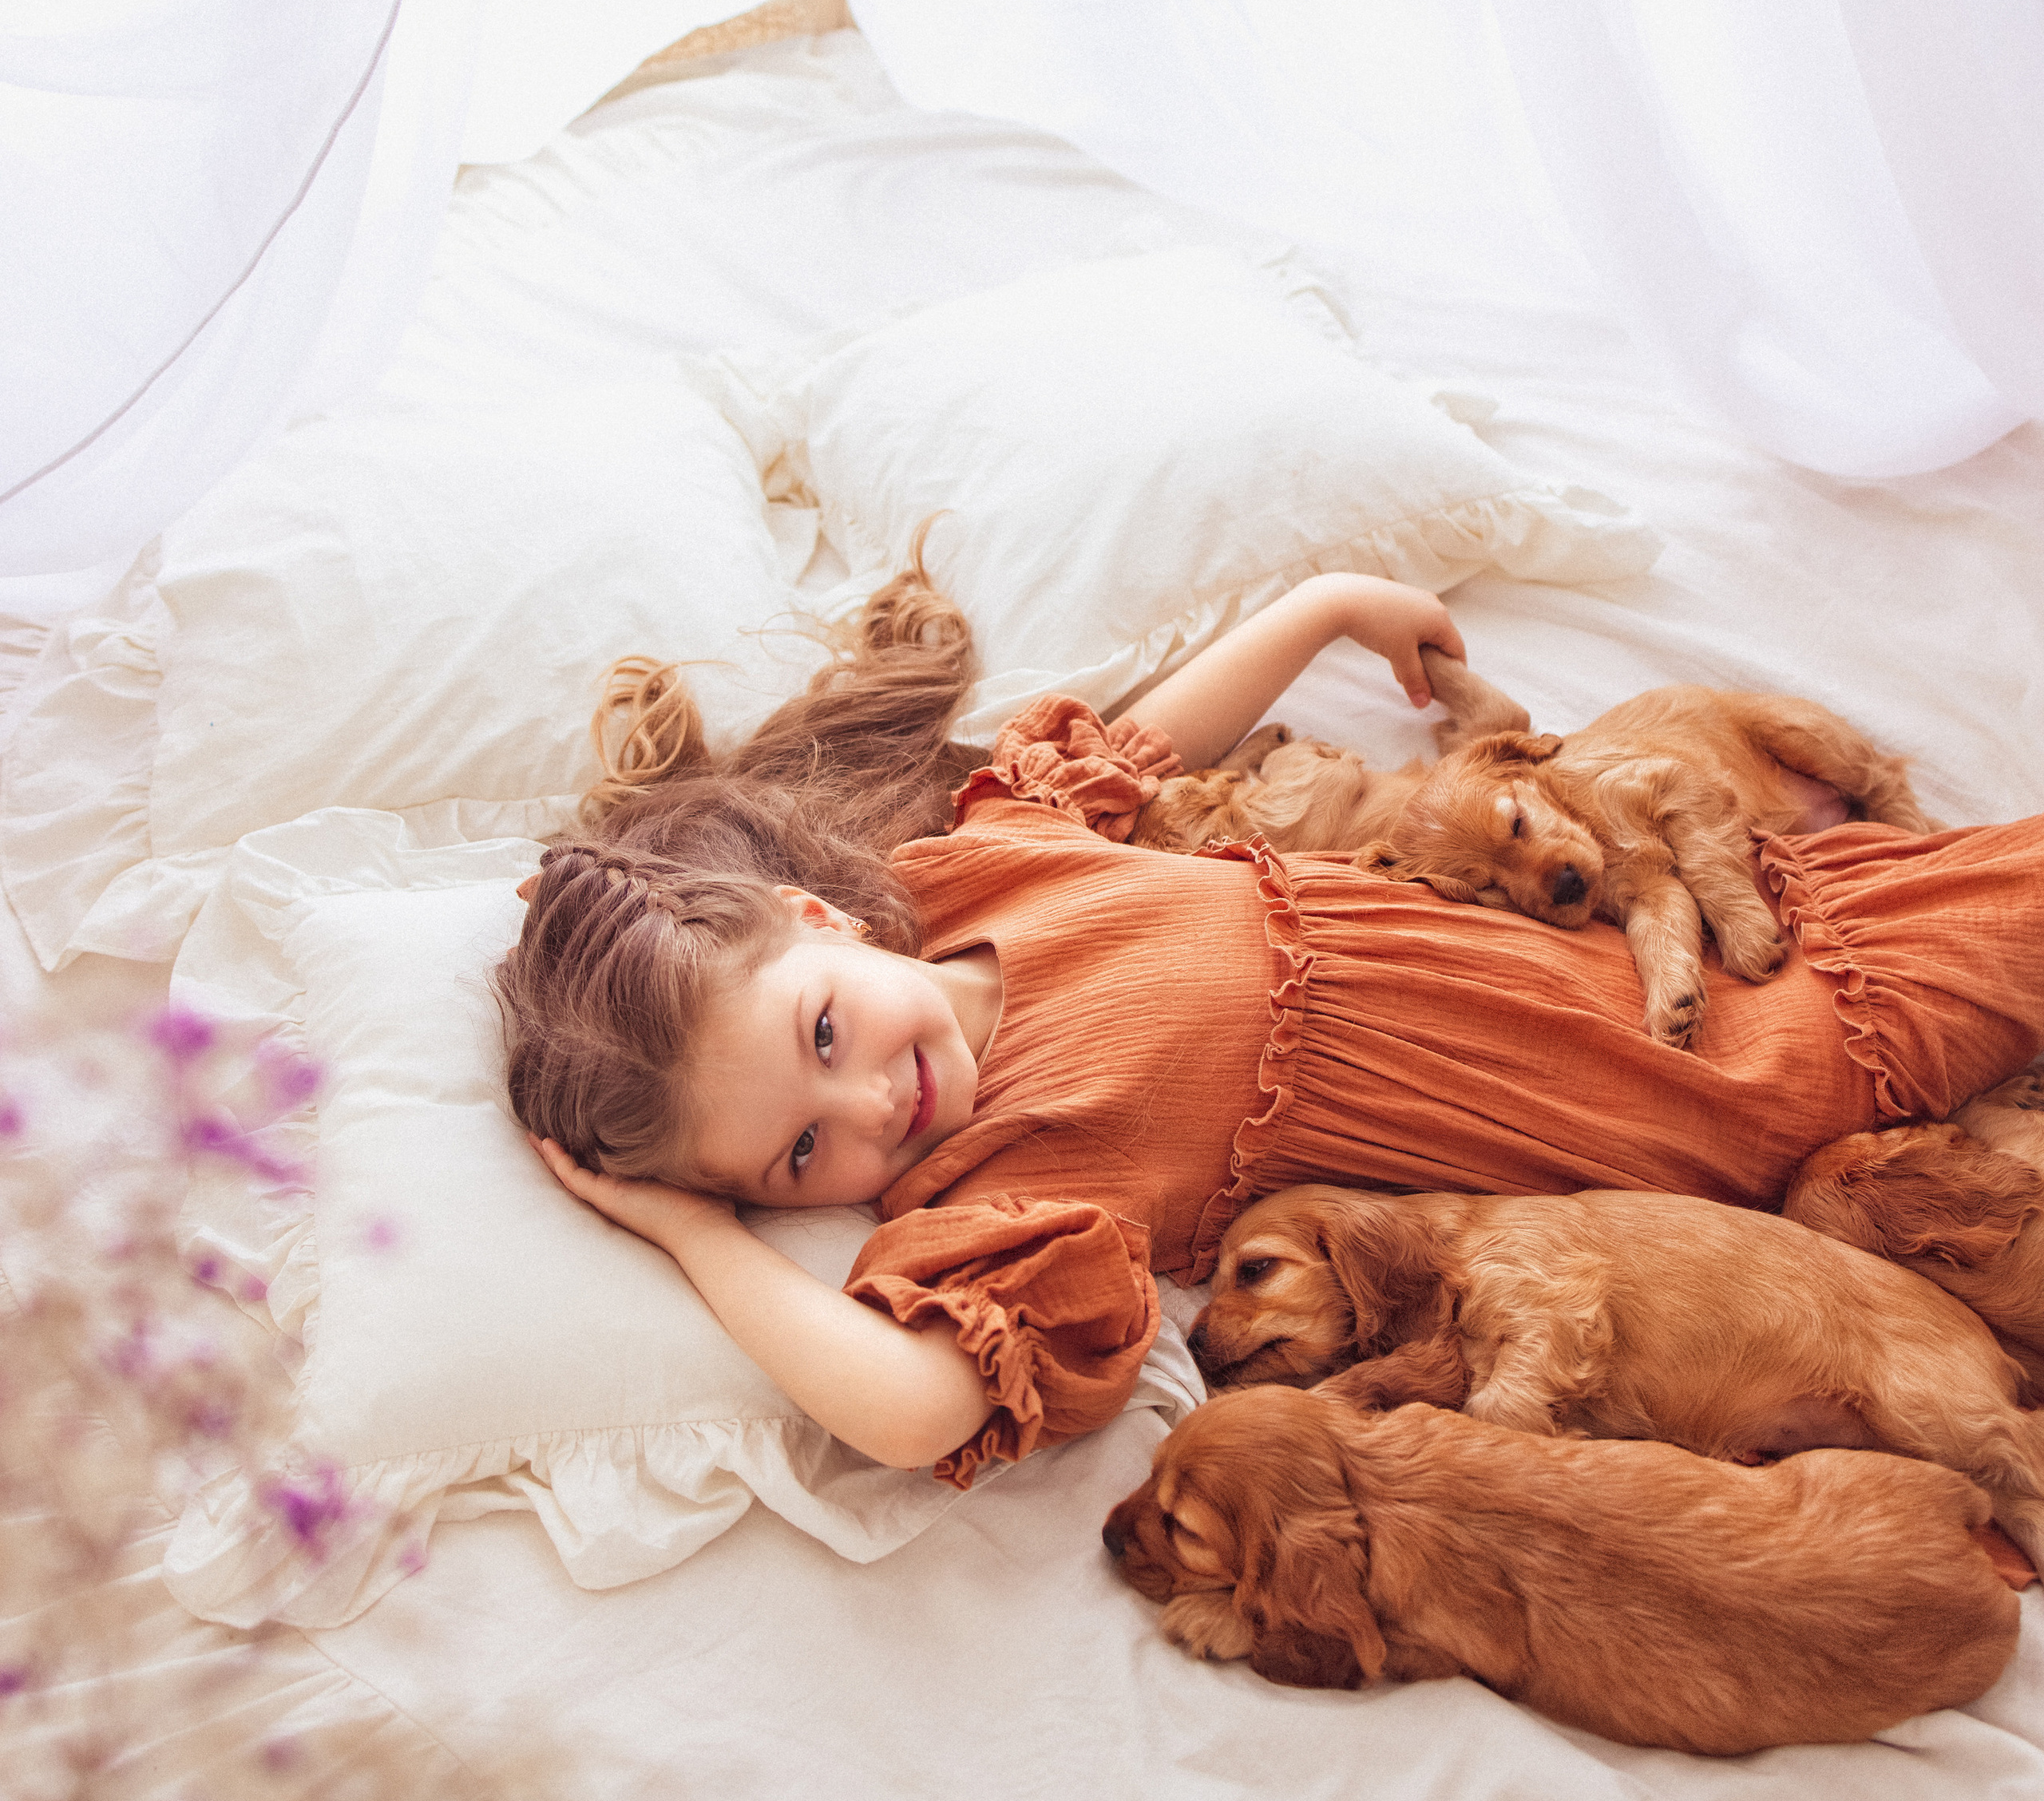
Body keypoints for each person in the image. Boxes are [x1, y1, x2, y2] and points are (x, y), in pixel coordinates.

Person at [497, 561, 2044, 1489]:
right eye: (792, 1157)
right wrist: (693, 1236)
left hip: (1687, 925)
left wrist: (1314, 611)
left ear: (826, 924)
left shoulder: (974, 865)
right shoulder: (993, 1195)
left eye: (824, 1036)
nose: (865, 1112)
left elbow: (1138, 744)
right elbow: (910, 1414)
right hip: (1709, 1086)